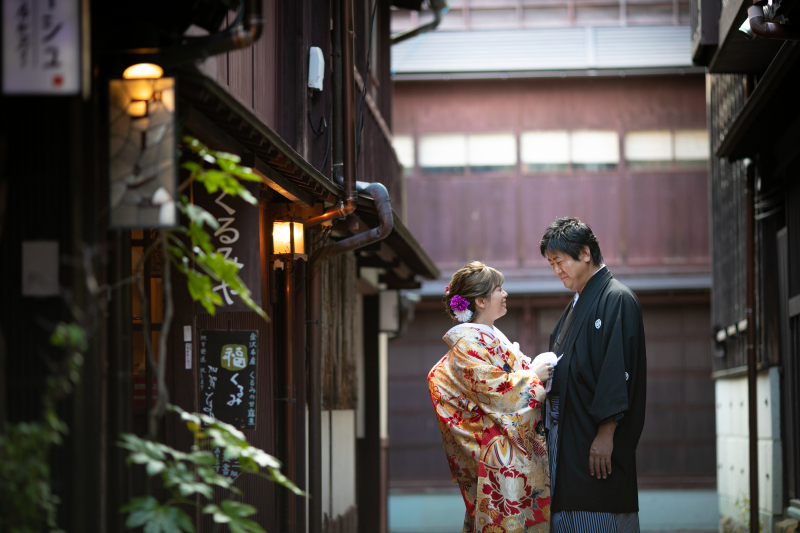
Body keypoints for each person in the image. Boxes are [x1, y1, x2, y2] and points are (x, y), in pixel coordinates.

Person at [428, 261, 553, 533]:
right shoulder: (467, 345)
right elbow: (497, 393)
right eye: (499, 289)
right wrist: (533, 377)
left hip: (510, 449)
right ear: (481, 301)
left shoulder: (488, 337)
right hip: (498, 457)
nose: (505, 294)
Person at [539, 218, 647, 533]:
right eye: (551, 264)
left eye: (560, 261)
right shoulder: (575, 305)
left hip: (594, 435)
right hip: (567, 434)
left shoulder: (617, 298)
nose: (556, 270)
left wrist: (607, 431)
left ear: (585, 253)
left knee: (597, 512)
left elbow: (617, 370)